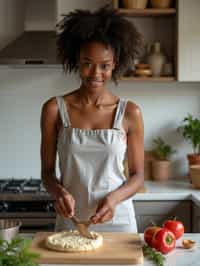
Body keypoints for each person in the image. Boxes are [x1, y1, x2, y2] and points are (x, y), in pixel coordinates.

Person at [40, 6, 144, 233]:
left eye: (104, 65)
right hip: (71, 221)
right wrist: (59, 192)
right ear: (77, 60)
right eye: (88, 63)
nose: (96, 73)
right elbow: (47, 173)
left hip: (118, 220)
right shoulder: (54, 109)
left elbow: (138, 176)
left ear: (115, 63)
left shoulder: (130, 113)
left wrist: (115, 199)